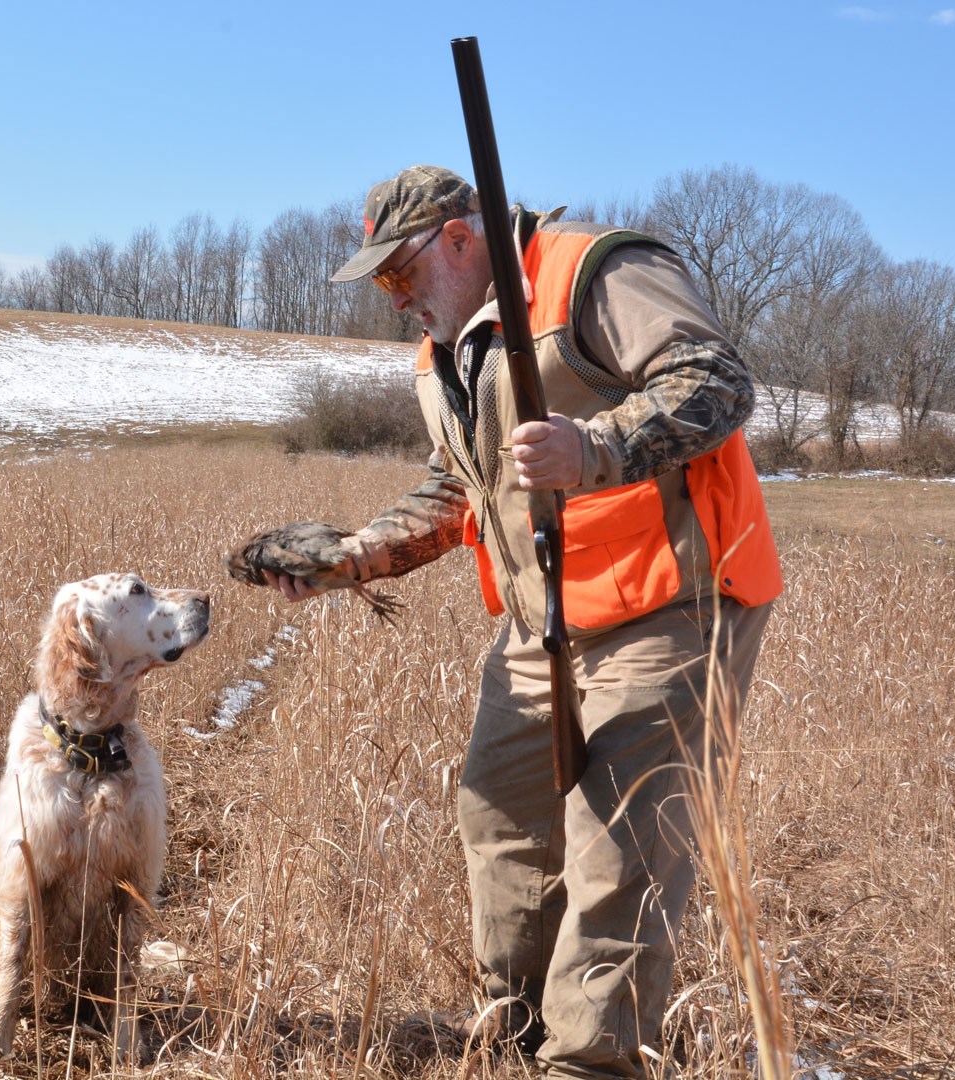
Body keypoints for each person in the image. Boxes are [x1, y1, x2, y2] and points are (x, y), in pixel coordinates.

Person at [235, 165, 781, 1079]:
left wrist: (595, 447)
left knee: (621, 851)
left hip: (673, 605)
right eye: (381, 285)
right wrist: (355, 558)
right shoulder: (448, 349)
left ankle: (589, 1061)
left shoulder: (598, 273)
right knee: (501, 813)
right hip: (546, 622)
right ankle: (520, 1027)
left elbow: (717, 383)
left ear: (457, 238)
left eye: (399, 275)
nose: (395, 300)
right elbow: (465, 487)